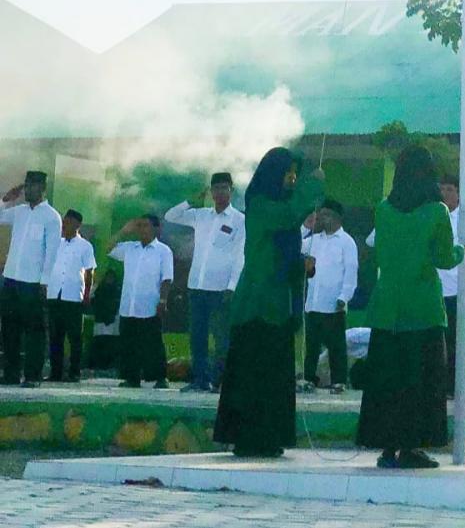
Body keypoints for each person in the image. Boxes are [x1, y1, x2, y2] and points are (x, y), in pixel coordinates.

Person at [357, 145, 462, 469]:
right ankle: (412, 448)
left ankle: (387, 449)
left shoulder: (383, 209)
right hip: (423, 309)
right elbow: (445, 258)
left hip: (387, 309)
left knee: (387, 383)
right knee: (420, 383)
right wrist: (462, 251)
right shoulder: (437, 211)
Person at [214, 148, 324, 458]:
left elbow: (281, 247)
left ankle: (268, 435)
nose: (292, 180)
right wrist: (311, 186)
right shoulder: (261, 204)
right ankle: (248, 436)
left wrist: (300, 263)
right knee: (254, 375)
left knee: (273, 376)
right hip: (258, 305)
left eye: (295, 174)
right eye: (289, 173)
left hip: (277, 303)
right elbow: (290, 214)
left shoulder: (274, 206)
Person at [165, 171, 245, 393]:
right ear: (210, 192)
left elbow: (240, 256)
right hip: (197, 287)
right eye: (215, 188)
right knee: (197, 336)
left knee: (221, 338)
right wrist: (191, 200)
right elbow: (170, 216)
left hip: (221, 289)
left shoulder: (239, 220)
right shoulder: (200, 215)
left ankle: (220, 381)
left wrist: (232, 286)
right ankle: (200, 380)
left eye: (224, 188)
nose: (219, 192)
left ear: (231, 191)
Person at [0, 170, 62, 386]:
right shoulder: (19, 212)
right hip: (10, 278)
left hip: (33, 282)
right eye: (26, 185)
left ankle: (33, 376)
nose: (27, 190)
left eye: (32, 186)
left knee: (34, 331)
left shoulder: (52, 217)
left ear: (42, 189)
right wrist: (7, 198)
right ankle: (10, 374)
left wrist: (45, 282)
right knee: (9, 329)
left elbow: (52, 252)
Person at [106, 215, 174, 389]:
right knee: (129, 344)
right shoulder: (130, 248)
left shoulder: (163, 251)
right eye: (140, 226)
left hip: (150, 305)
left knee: (153, 343)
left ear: (156, 229)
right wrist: (123, 231)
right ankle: (131, 378)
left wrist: (163, 300)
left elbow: (167, 279)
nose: (142, 229)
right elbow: (108, 247)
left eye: (146, 226)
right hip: (129, 305)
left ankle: (160, 377)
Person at [300, 198, 358, 394]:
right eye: (321, 215)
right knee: (312, 346)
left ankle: (339, 381)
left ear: (337, 217)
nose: (322, 219)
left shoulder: (346, 242)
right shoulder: (314, 240)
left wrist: (344, 297)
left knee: (336, 345)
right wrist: (306, 226)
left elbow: (350, 273)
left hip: (334, 303)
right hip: (313, 303)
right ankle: (308, 378)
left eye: (326, 215)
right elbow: (297, 246)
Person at [438, 174, 465, 394]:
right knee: (436, 340)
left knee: (454, 340)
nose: (445, 194)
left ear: (458, 193)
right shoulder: (434, 215)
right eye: (442, 189)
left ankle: (452, 385)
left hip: (457, 289)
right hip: (434, 289)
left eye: (450, 189)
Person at [47, 209, 96, 383]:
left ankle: (74, 372)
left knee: (75, 338)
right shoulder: (56, 243)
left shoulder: (85, 246)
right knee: (55, 337)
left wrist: (87, 295)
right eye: (63, 222)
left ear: (77, 224)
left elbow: (89, 272)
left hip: (74, 297)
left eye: (67, 222)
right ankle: (56, 373)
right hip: (54, 294)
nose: (64, 225)